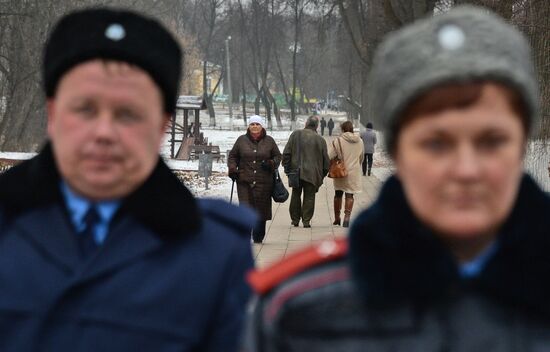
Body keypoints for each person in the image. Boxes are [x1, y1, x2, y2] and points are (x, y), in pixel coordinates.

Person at [242, 6, 550, 351]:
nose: (466, 169)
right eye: (436, 143)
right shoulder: (300, 316)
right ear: (399, 152)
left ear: (522, 144)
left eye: (492, 141)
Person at [0, 8, 255, 352]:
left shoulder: (214, 255)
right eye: (85, 109)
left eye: (128, 114)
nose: (104, 132)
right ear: (53, 113)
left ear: (162, 124)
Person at [228, 115, 282, 243]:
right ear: (249, 126)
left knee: (261, 210)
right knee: (245, 209)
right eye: (252, 124)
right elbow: (232, 156)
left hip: (264, 182)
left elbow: (278, 157)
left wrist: (270, 163)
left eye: (257, 124)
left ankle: (258, 236)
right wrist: (232, 169)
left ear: (262, 126)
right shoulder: (241, 140)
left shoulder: (269, 141)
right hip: (244, 181)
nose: (255, 126)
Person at [282, 115, 329, 228]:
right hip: (313, 174)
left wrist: (287, 169)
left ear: (306, 124)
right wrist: (321, 175)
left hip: (296, 171)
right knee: (309, 196)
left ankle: (295, 219)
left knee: (295, 194)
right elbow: (326, 162)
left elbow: (286, 153)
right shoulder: (321, 140)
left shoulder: (295, 134)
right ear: (317, 126)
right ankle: (306, 220)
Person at [329, 121, 363, 227]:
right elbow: (361, 157)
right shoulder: (360, 141)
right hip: (354, 172)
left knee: (338, 194)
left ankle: (337, 218)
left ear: (343, 129)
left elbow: (329, 156)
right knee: (350, 195)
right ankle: (347, 219)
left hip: (340, 171)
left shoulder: (338, 141)